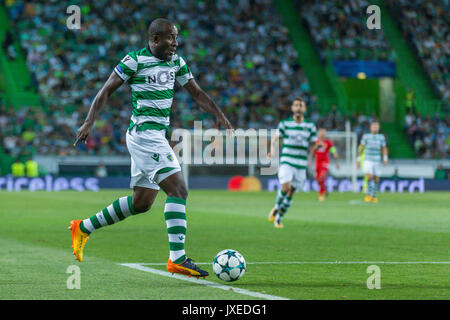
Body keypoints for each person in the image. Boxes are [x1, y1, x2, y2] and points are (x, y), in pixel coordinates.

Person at [69, 18, 233, 279]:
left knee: (142, 202)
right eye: (170, 38)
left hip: (153, 136)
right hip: (145, 136)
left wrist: (219, 115)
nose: (175, 43)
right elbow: (105, 91)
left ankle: (83, 227)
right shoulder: (133, 61)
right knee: (178, 189)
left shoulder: (177, 62)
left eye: (176, 38)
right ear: (155, 39)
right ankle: (177, 258)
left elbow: (197, 93)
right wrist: (89, 121)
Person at [267, 97, 317, 228]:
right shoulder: (285, 124)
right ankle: (276, 208)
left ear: (304, 109)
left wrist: (316, 149)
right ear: (292, 108)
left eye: (301, 105)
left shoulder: (310, 126)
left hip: (301, 164)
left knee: (292, 192)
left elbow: (313, 145)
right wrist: (272, 151)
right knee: (286, 187)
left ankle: (279, 218)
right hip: (287, 160)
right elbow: (275, 139)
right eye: (296, 105)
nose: (298, 107)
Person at [357, 121, 388, 203]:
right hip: (368, 159)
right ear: (371, 128)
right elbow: (361, 147)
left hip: (377, 160)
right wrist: (358, 159)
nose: (375, 128)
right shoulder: (366, 136)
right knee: (369, 176)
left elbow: (384, 148)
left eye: (377, 126)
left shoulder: (381, 137)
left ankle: (373, 196)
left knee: (376, 178)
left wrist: (385, 158)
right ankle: (368, 195)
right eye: (374, 126)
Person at [307, 128, 339, 201]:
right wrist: (309, 161)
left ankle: (321, 194)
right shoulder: (316, 142)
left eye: (323, 134)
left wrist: (336, 162)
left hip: (325, 162)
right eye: (321, 133)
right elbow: (312, 152)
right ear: (318, 134)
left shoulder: (328, 142)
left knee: (321, 177)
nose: (322, 135)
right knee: (318, 179)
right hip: (317, 162)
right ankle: (324, 191)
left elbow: (333, 152)